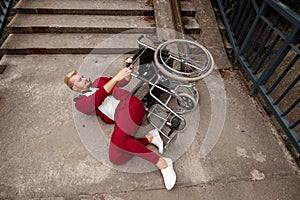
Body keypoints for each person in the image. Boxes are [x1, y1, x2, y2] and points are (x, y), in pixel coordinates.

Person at [64, 58, 176, 190]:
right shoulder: (80, 103)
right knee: (115, 158)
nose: (84, 78)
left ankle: (162, 163)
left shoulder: (99, 81)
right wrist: (114, 79)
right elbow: (97, 98)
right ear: (75, 88)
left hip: (130, 105)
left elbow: (122, 81)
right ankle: (150, 138)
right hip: (120, 119)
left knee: (119, 141)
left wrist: (128, 68)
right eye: (80, 80)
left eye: (82, 76)